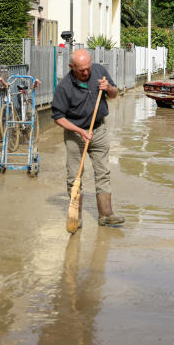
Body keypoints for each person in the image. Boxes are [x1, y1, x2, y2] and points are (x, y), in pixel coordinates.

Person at [52, 49, 125, 227]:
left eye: (87, 68)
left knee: (103, 172)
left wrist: (108, 88)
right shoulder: (64, 87)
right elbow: (58, 117)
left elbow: (115, 94)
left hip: (98, 130)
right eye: (81, 70)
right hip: (75, 134)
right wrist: (80, 131)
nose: (86, 72)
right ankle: (75, 217)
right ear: (71, 67)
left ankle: (106, 215)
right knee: (74, 175)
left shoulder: (99, 71)